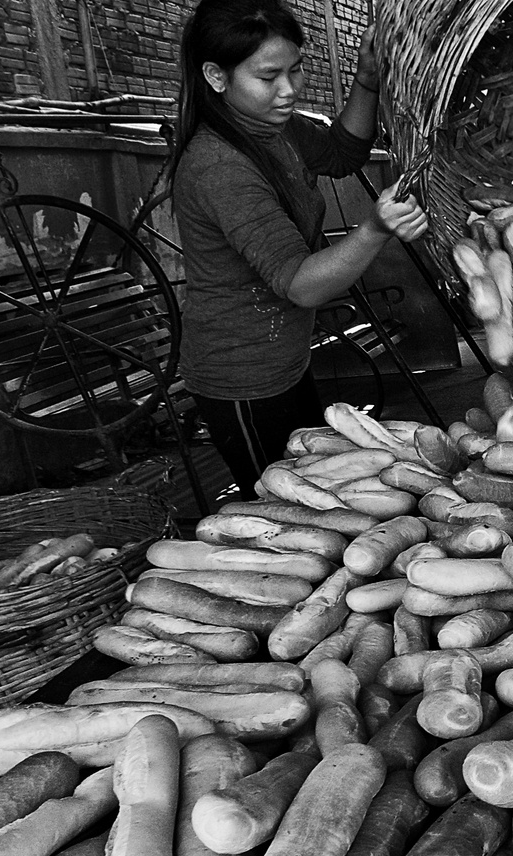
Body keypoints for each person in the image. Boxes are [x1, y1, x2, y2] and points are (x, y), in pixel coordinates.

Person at [169, 0, 428, 494]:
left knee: (321, 495)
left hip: (286, 360)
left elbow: (341, 153)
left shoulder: (274, 127)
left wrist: (368, 80)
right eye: (269, 77)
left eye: (297, 69)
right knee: (281, 505)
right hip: (241, 377)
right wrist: (373, 229)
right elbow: (301, 285)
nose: (288, 90)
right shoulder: (220, 166)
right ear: (216, 76)